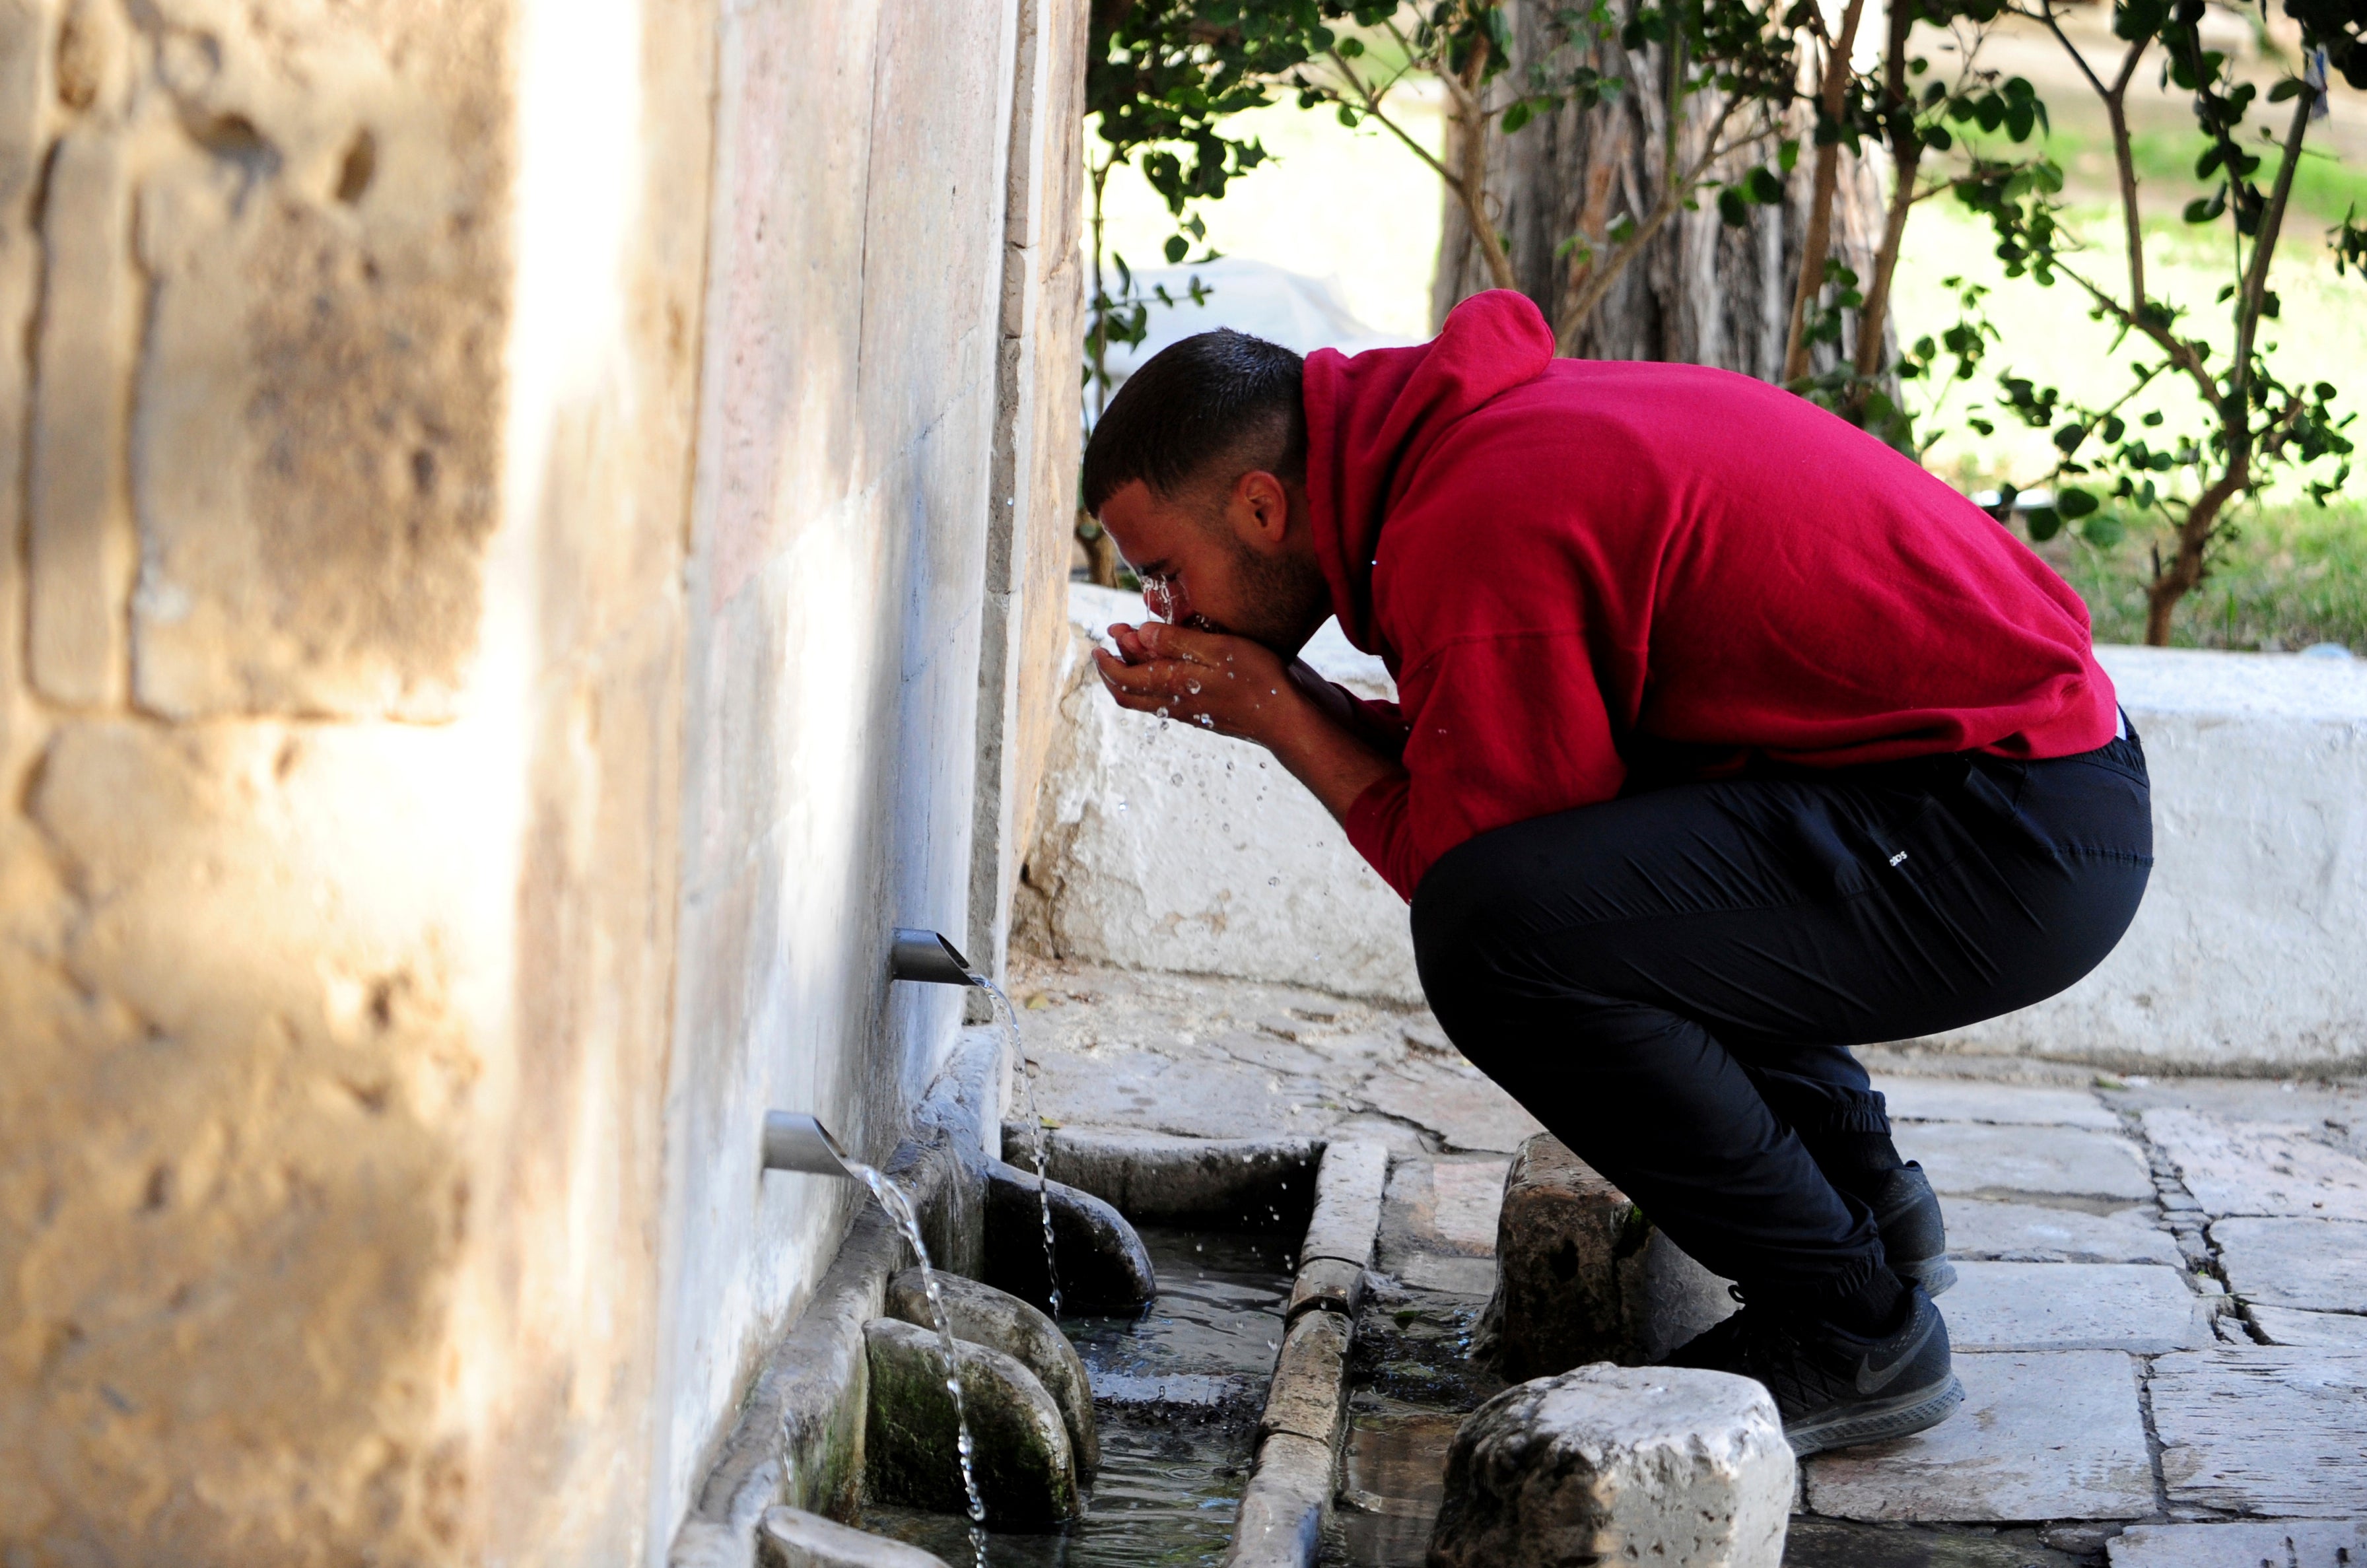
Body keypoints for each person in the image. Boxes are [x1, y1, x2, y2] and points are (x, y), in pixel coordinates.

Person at [1080, 290, 2152, 1455]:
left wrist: (1283, 720)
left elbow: (1479, 876)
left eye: (1165, 571)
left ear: (1259, 504)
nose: (1167, 608)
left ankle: (1850, 1326)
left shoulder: (1472, 516)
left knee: (1498, 942)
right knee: (1598, 885)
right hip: (2010, 785)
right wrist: (1301, 703)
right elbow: (1524, 788)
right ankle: (1867, 1207)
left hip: (2005, 833)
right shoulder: (1458, 451)